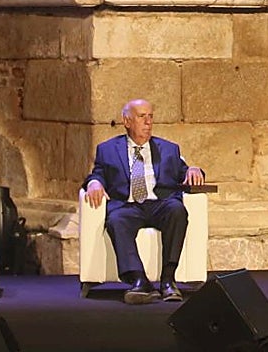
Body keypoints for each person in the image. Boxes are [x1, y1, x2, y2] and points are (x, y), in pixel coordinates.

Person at [84, 99, 205, 304]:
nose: (148, 122)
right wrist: (94, 183)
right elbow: (98, 174)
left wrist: (195, 169)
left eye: (150, 117)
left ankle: (168, 280)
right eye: (142, 117)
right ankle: (139, 280)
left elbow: (184, 172)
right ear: (127, 121)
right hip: (128, 205)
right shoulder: (108, 149)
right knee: (116, 220)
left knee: (177, 210)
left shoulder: (168, 149)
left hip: (160, 203)